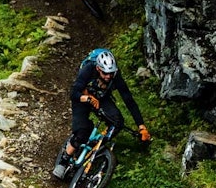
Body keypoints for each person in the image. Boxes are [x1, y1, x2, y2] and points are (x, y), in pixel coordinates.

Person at [53, 48, 152, 179]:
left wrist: (141, 126)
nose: (108, 76)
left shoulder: (115, 76)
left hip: (101, 97)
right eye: (105, 73)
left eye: (110, 73)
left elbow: (129, 100)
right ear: (98, 69)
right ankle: (63, 161)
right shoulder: (88, 69)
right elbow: (74, 93)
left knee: (118, 122)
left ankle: (98, 146)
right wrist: (88, 99)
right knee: (82, 132)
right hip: (83, 96)